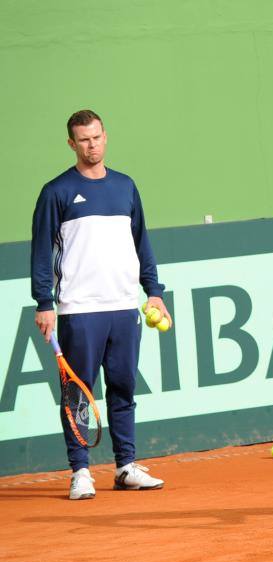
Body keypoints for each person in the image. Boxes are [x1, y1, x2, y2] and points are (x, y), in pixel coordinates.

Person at [31, 110, 171, 500]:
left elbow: (142, 243)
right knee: (78, 394)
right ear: (71, 144)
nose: (91, 145)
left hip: (124, 306)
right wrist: (44, 302)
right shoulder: (56, 192)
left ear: (105, 137)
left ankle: (126, 466)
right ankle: (80, 473)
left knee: (123, 388)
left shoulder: (126, 187)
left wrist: (153, 291)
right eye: (83, 140)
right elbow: (42, 253)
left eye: (96, 137)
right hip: (79, 309)